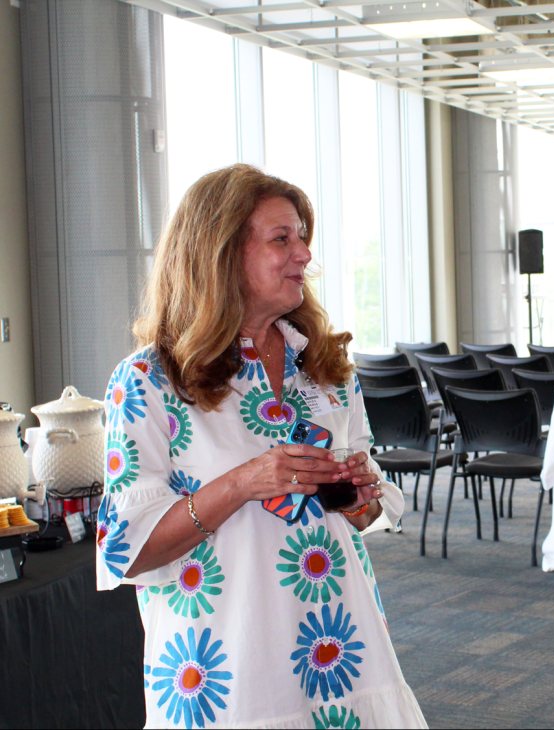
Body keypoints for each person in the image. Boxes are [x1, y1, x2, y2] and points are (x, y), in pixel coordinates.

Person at [95, 164, 427, 729]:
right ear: (221, 254)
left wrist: (357, 496)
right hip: (227, 670)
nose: (303, 255)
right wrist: (243, 483)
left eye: (303, 238)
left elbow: (365, 514)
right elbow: (128, 549)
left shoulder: (325, 368)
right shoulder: (149, 381)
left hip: (343, 648)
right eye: (282, 239)